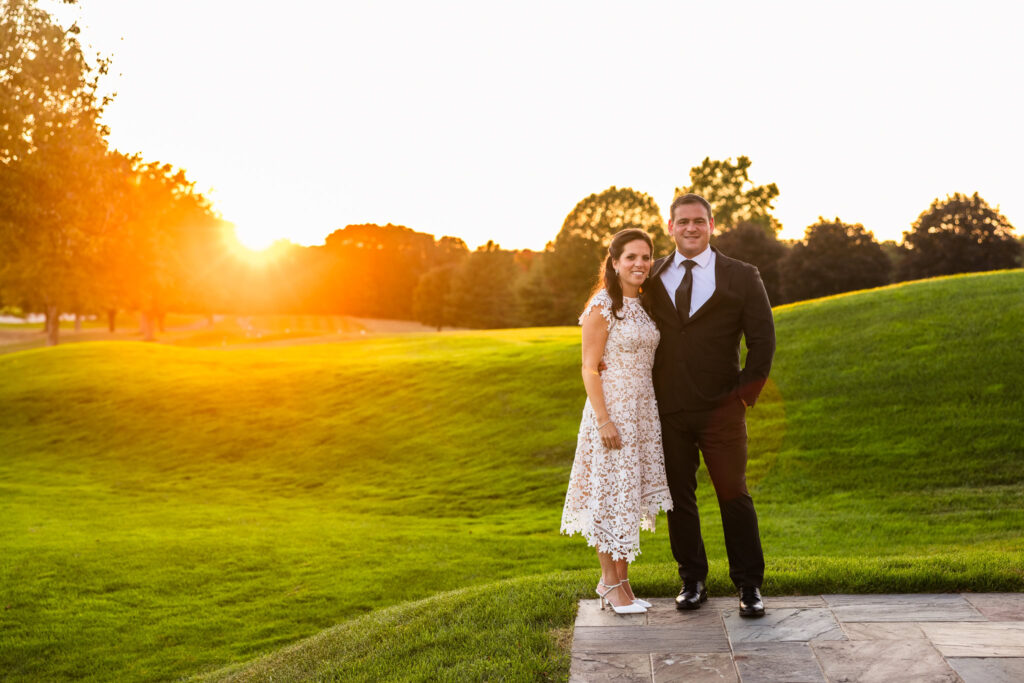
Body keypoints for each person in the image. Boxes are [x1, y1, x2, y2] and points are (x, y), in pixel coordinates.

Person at [643, 193, 775, 618]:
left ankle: (750, 586)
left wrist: (744, 396)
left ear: (712, 224)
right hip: (670, 410)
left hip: (723, 410)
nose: (691, 228)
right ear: (670, 227)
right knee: (678, 499)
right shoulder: (653, 275)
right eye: (682, 222)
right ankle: (692, 580)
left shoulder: (742, 275)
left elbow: (763, 341)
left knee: (733, 494)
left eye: (699, 221)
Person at [561, 228, 674, 615]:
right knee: (611, 495)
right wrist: (604, 420)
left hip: (642, 412)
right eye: (631, 257)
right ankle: (609, 583)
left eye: (646, 257)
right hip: (611, 414)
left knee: (628, 496)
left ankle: (623, 584)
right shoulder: (601, 305)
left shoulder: (645, 305)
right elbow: (589, 369)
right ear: (614, 262)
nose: (640, 264)